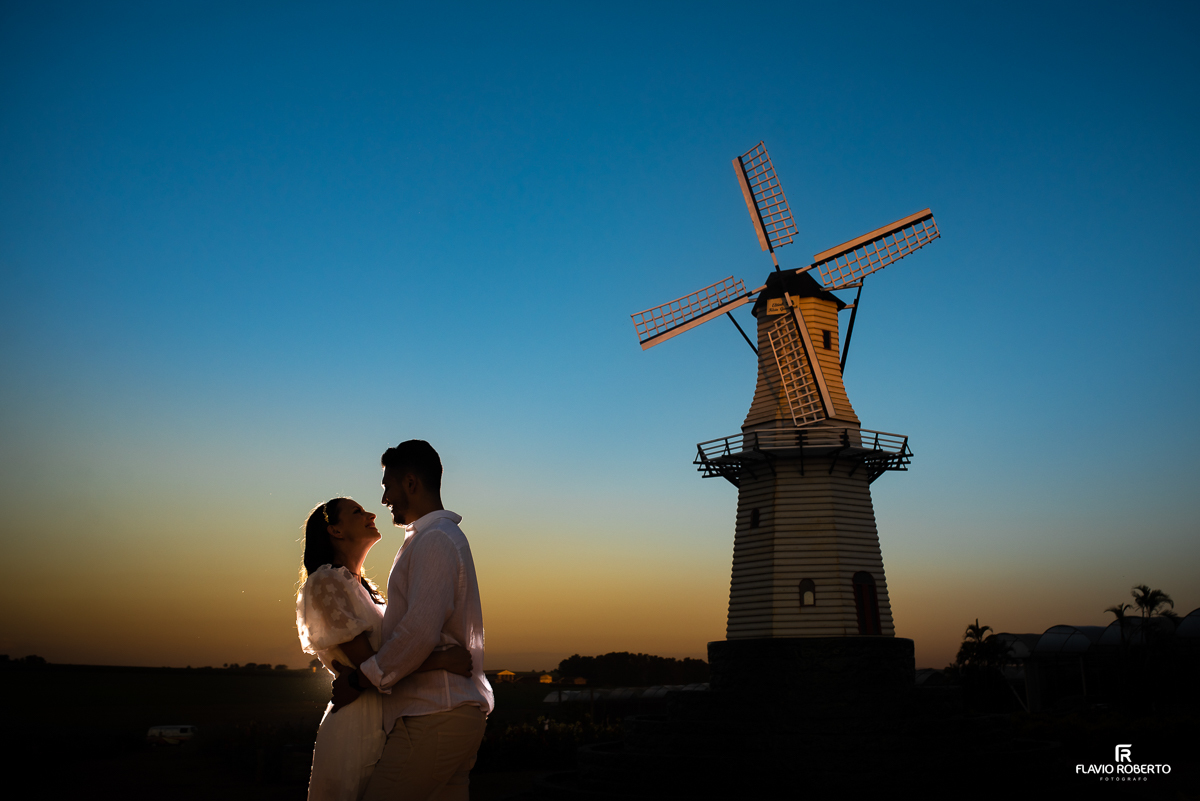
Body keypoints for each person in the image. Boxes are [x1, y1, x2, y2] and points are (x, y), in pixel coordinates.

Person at [331, 440, 494, 801]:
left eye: (387, 486)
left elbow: (417, 634)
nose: (385, 499)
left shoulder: (435, 541)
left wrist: (359, 680)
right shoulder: (430, 539)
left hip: (434, 715)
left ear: (410, 483)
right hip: (446, 715)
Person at [296, 496, 472, 801]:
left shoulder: (361, 588)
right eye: (357, 512)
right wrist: (444, 660)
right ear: (335, 531)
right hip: (358, 722)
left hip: (384, 712)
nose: (371, 513)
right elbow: (371, 662)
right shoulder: (326, 581)